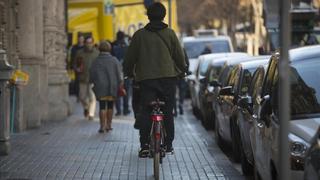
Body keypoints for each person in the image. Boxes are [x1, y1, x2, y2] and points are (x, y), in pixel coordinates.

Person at [123, 2, 187, 157]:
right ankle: (168, 144)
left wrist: (129, 72)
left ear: (148, 16)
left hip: (146, 80)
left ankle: (145, 145)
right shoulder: (170, 34)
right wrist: (183, 69)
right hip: (168, 79)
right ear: (164, 15)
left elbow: (129, 59)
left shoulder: (139, 35)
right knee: (167, 111)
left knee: (145, 111)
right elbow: (179, 56)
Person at [90, 41, 122, 133]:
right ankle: (109, 125)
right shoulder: (114, 60)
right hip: (112, 86)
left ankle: (102, 126)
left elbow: (92, 74)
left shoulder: (96, 61)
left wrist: (92, 82)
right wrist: (120, 83)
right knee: (111, 106)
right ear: (109, 49)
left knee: (102, 106)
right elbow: (119, 74)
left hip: (100, 86)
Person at [75, 36, 99, 120]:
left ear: (93, 43)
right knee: (82, 97)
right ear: (85, 43)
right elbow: (75, 64)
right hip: (82, 77)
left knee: (92, 97)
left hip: (93, 78)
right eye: (87, 42)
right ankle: (86, 107)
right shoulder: (79, 53)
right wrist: (77, 68)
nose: (89, 44)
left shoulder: (96, 53)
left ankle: (91, 114)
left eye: (90, 42)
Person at [112, 31, 131, 116]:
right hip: (126, 72)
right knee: (126, 91)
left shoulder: (113, 47)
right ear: (123, 37)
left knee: (117, 91)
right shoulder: (128, 48)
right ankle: (126, 109)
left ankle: (118, 110)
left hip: (116, 72)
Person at [70, 34, 85, 99]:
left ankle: (82, 94)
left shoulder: (85, 47)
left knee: (83, 81)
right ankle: (78, 95)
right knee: (77, 81)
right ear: (78, 39)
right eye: (80, 38)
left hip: (84, 66)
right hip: (76, 66)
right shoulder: (74, 47)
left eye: (82, 39)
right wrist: (73, 66)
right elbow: (72, 57)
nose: (81, 40)